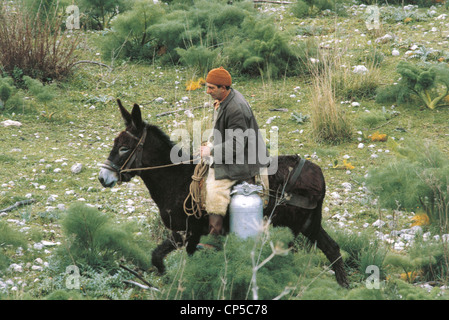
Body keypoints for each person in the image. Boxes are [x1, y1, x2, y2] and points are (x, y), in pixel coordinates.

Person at [201, 67, 268, 236]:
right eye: (207, 87)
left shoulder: (236, 108)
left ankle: (214, 235)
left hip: (244, 160)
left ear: (223, 88)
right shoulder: (227, 99)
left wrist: (211, 150)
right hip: (236, 153)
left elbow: (237, 146)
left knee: (214, 188)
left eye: (211, 88)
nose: (207, 91)